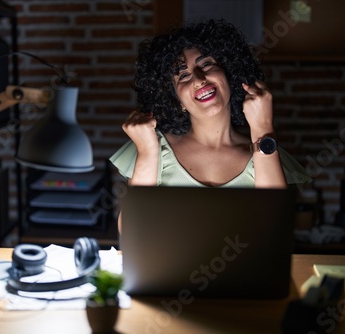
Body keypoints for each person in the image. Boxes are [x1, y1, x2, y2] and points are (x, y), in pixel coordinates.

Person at [110, 19, 311, 228]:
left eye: (206, 64)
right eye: (183, 76)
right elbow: (132, 233)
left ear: (229, 75)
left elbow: (276, 227)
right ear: (176, 101)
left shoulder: (266, 151)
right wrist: (147, 152)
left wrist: (263, 128)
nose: (199, 79)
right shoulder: (152, 147)